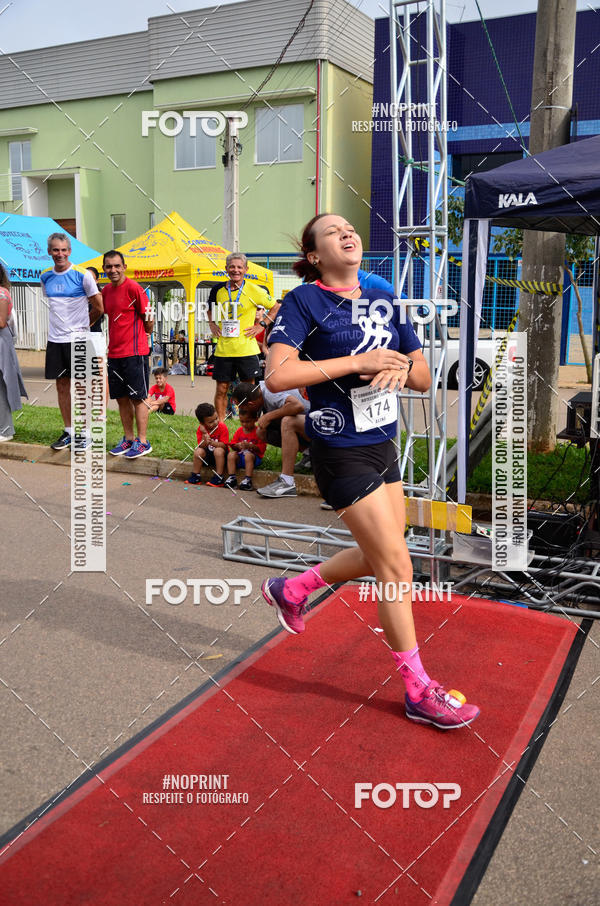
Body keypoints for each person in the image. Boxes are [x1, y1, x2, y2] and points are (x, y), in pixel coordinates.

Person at [261, 213, 480, 730]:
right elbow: (278, 376)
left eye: (349, 228)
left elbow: (422, 375)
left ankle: (293, 589)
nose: (347, 233)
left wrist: (400, 367)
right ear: (314, 256)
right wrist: (357, 363)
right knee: (397, 568)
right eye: (332, 231)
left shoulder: (383, 294)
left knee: (383, 554)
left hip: (383, 444)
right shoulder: (303, 301)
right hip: (339, 448)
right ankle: (418, 690)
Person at [41, 233, 103, 450]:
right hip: (55, 340)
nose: (60, 254)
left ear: (69, 251)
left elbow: (99, 307)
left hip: (78, 339)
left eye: (63, 250)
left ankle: (85, 434)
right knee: (61, 386)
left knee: (81, 387)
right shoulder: (45, 276)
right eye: (56, 250)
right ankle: (69, 431)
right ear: (49, 251)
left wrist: (83, 327)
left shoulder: (83, 275)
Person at [207, 253, 279, 421]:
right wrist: (212, 324)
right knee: (221, 389)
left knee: (249, 391)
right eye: (232, 267)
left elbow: (276, 307)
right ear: (226, 269)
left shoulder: (255, 290)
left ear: (246, 269)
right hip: (224, 350)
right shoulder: (217, 289)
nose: (236, 270)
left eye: (239, 267)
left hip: (246, 348)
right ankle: (221, 425)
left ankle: (248, 423)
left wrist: (261, 325)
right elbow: (209, 308)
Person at [101, 250, 154, 458]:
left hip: (135, 353)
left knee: (138, 398)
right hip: (114, 353)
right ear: (104, 269)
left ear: (124, 267)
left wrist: (147, 331)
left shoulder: (134, 288)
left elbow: (148, 314)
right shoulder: (106, 291)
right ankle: (129, 439)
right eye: (109, 266)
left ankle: (143, 442)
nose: (113, 270)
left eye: (117, 266)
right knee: (122, 399)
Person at [231, 381, 310, 498]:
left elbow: (297, 406)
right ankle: (310, 453)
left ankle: (287, 482)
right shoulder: (259, 394)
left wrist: (268, 416)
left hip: (323, 424)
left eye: (242, 407)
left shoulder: (270, 392)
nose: (241, 411)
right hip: (308, 424)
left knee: (287, 422)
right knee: (262, 432)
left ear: (251, 404)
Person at [0, 263, 28, 441]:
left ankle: (6, 430)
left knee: (2, 386)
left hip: (2, 342)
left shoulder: (2, 294)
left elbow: (1, 322)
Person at [187, 402, 229, 486]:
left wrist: (213, 443)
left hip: (221, 457)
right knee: (198, 451)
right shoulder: (201, 430)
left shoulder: (222, 427)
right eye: (211, 422)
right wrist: (204, 433)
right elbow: (202, 446)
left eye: (216, 418)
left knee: (218, 451)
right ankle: (196, 475)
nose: (215, 422)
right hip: (208, 456)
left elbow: (224, 445)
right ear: (202, 423)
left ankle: (219, 477)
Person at [225, 410, 267, 491]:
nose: (244, 424)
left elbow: (262, 449)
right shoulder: (239, 431)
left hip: (254, 459)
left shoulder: (258, 432)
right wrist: (237, 445)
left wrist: (250, 446)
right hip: (240, 457)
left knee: (248, 456)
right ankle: (232, 478)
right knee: (231, 455)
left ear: (256, 419)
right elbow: (232, 444)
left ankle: (248, 480)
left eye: (247, 421)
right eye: (242, 421)